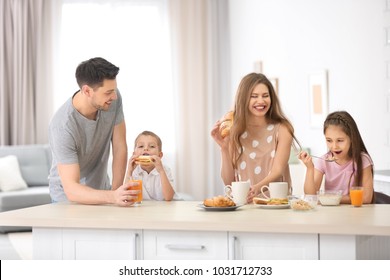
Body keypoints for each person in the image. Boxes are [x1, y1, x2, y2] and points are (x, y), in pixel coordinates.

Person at [48, 57, 138, 206]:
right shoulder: (62, 126)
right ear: (87, 91)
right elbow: (71, 189)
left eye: (114, 90)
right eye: (108, 92)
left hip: (103, 192)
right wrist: (113, 196)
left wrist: (116, 192)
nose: (114, 96)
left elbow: (119, 146)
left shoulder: (113, 99)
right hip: (67, 199)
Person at [211, 72, 300, 202]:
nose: (261, 101)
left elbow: (278, 170)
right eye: (254, 96)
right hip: (243, 205)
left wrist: (255, 189)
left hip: (275, 204)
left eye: (265, 96)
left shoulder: (283, 129)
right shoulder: (234, 130)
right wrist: (224, 148)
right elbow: (228, 181)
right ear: (243, 99)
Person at [299, 111, 374, 204]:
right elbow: (310, 196)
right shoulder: (324, 161)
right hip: (331, 214)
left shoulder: (363, 160)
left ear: (352, 138)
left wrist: (331, 198)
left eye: (340, 140)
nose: (334, 146)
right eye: (329, 140)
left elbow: (366, 198)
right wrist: (310, 168)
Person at [125, 130, 178, 201]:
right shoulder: (134, 171)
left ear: (159, 155)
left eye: (152, 146)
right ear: (134, 154)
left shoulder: (165, 169)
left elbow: (168, 197)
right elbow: (126, 197)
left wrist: (161, 171)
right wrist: (129, 172)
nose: (146, 148)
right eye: (141, 146)